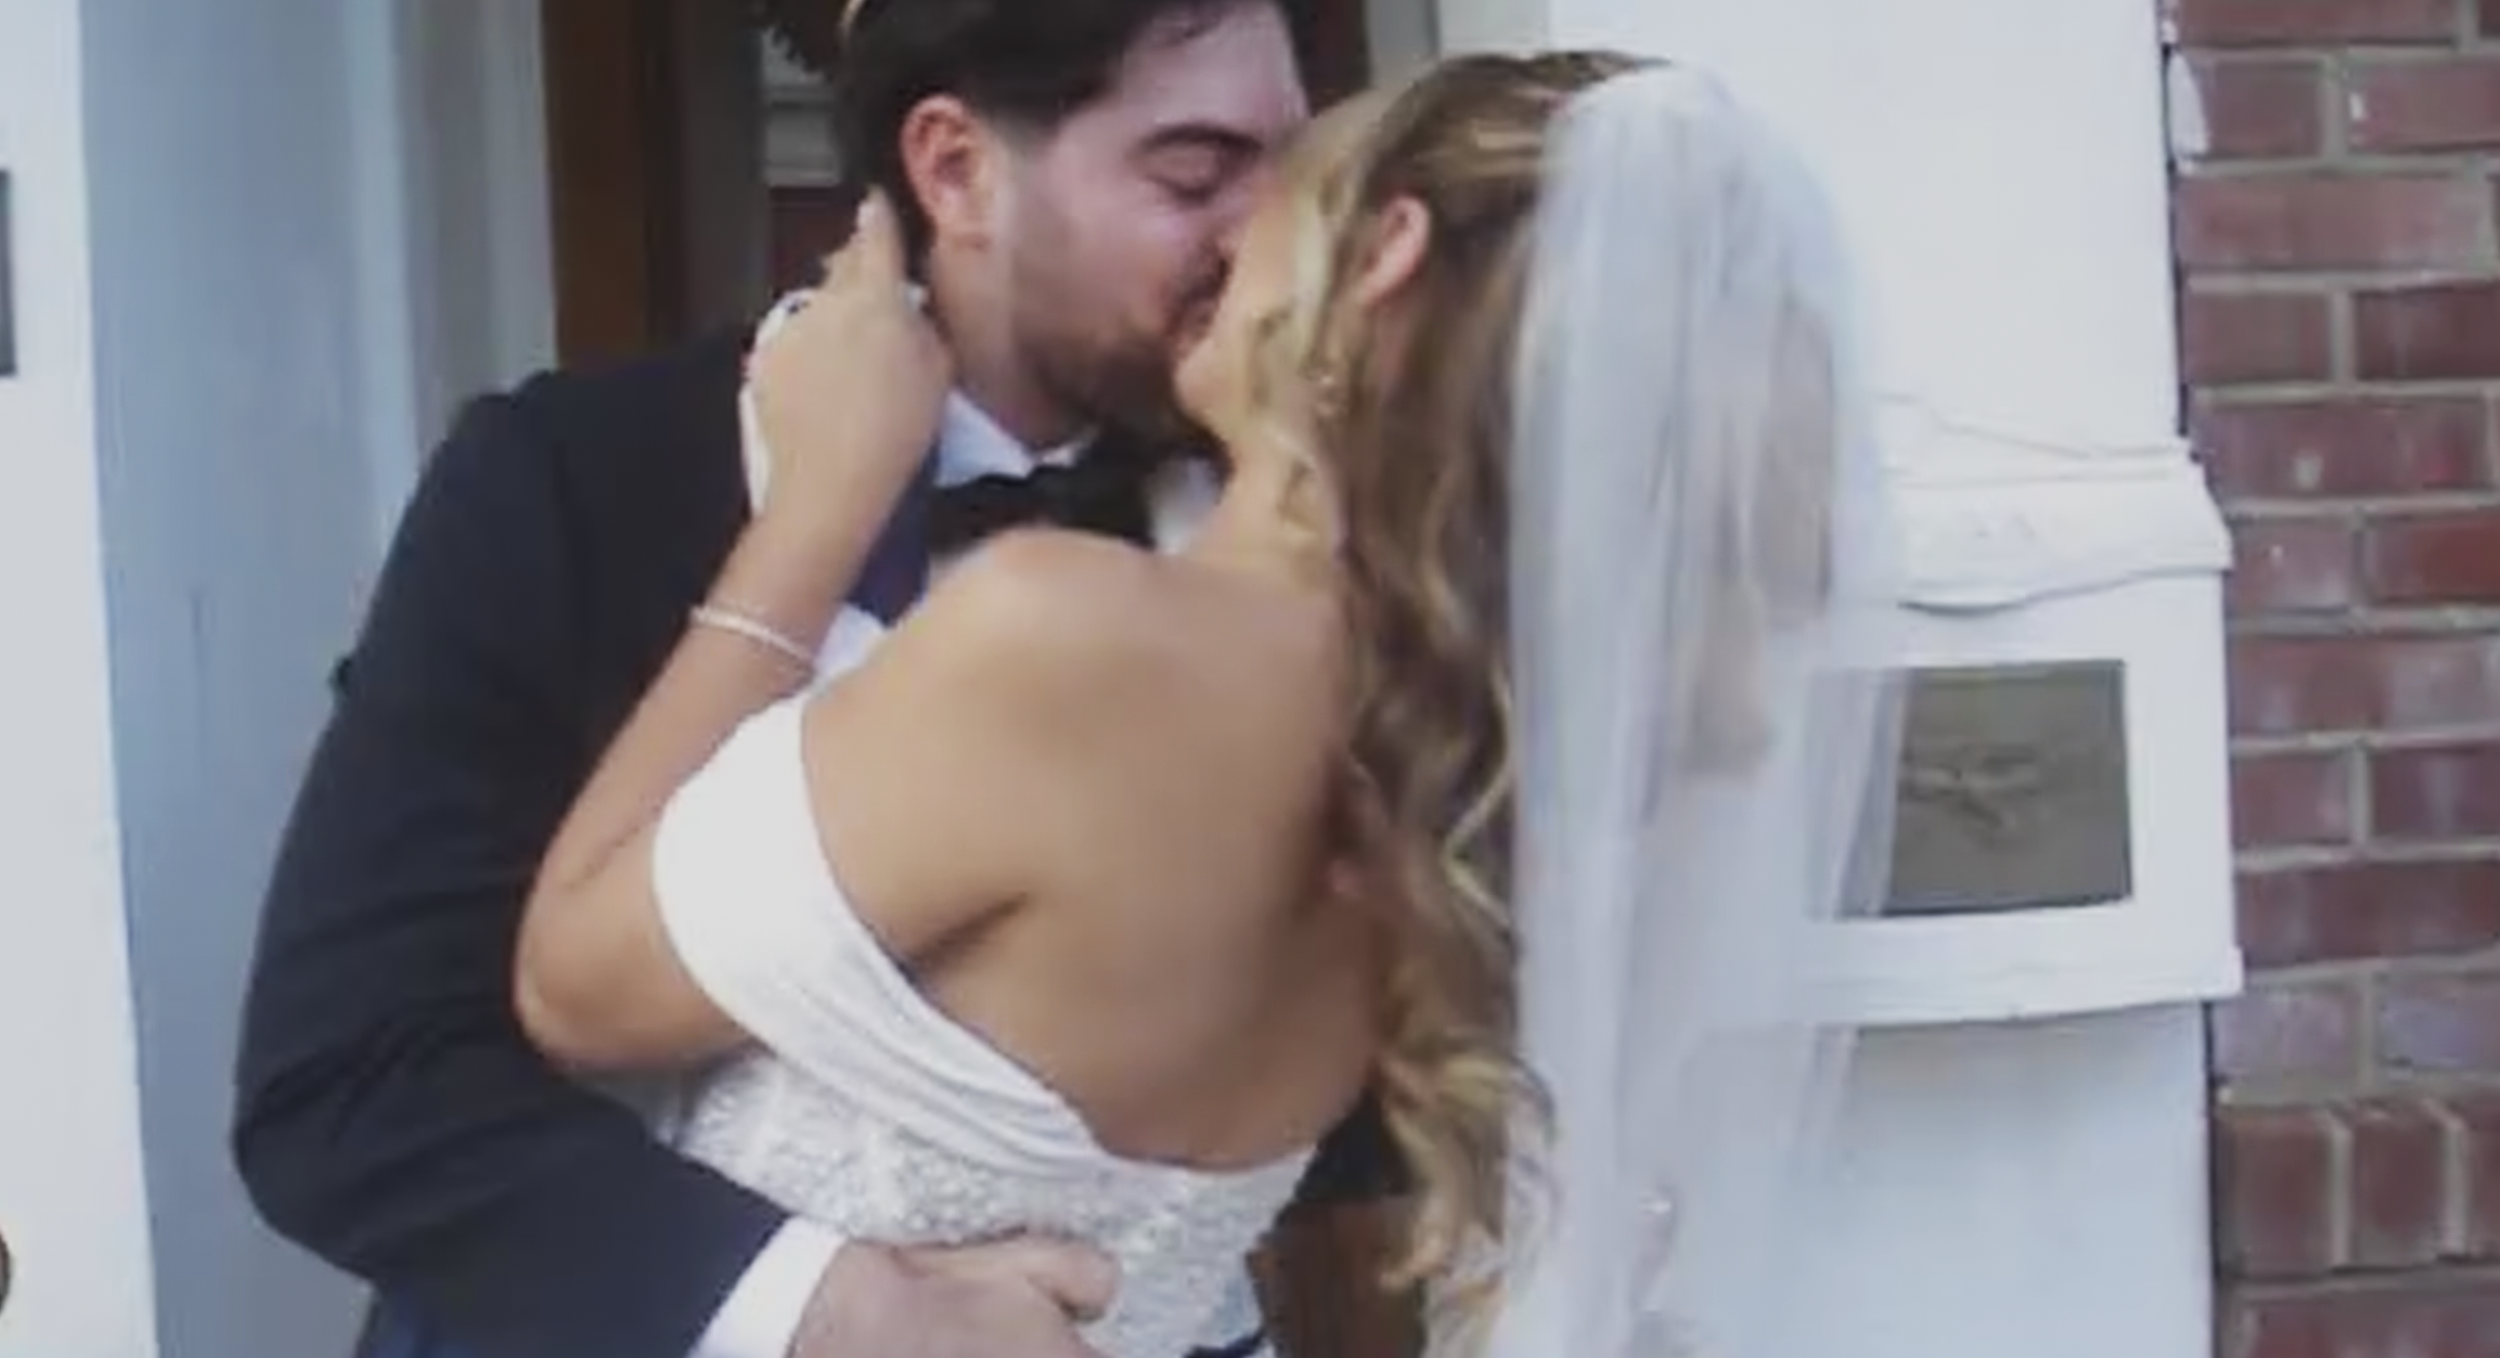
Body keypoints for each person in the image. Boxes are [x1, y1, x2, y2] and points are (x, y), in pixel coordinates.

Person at [511, 49, 1900, 1358]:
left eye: (1286, 180)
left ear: (1387, 253)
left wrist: (819, 506)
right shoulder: (1468, 771)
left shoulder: (1073, 639)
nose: (1230, 232)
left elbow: (575, 984)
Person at [230, 4, 1407, 1358]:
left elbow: (1362, 1112)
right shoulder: (573, 477)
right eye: (1194, 175)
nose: (1262, 234)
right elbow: (351, 1083)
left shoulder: (1316, 536)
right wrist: (844, 1304)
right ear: (956, 167)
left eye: (1292, 170)